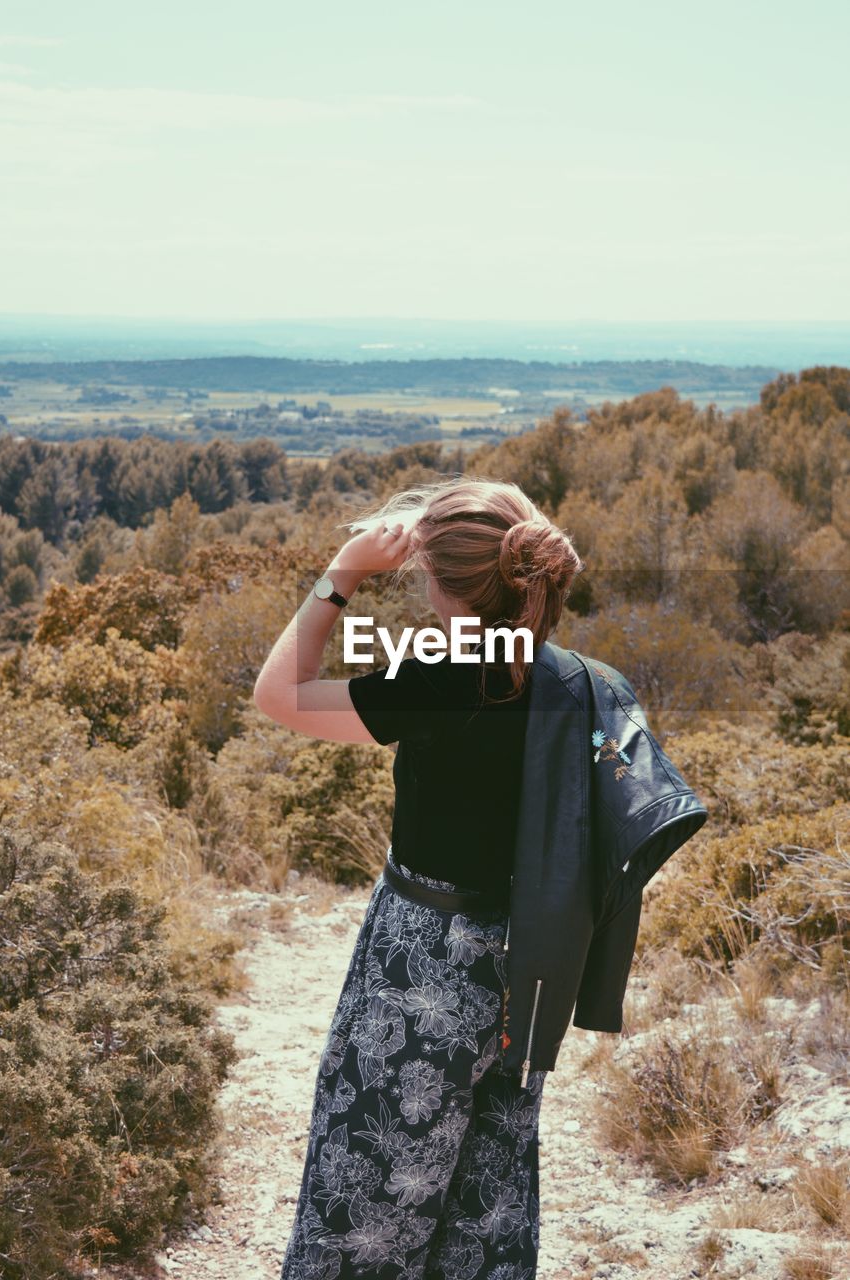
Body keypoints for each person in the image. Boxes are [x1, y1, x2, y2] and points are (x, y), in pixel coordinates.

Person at [253, 476, 583, 1280]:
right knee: (483, 1206)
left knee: (365, 1195)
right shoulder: (571, 678)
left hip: (421, 963)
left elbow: (277, 694)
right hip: (529, 966)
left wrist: (343, 572)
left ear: (439, 585)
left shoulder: (439, 675)